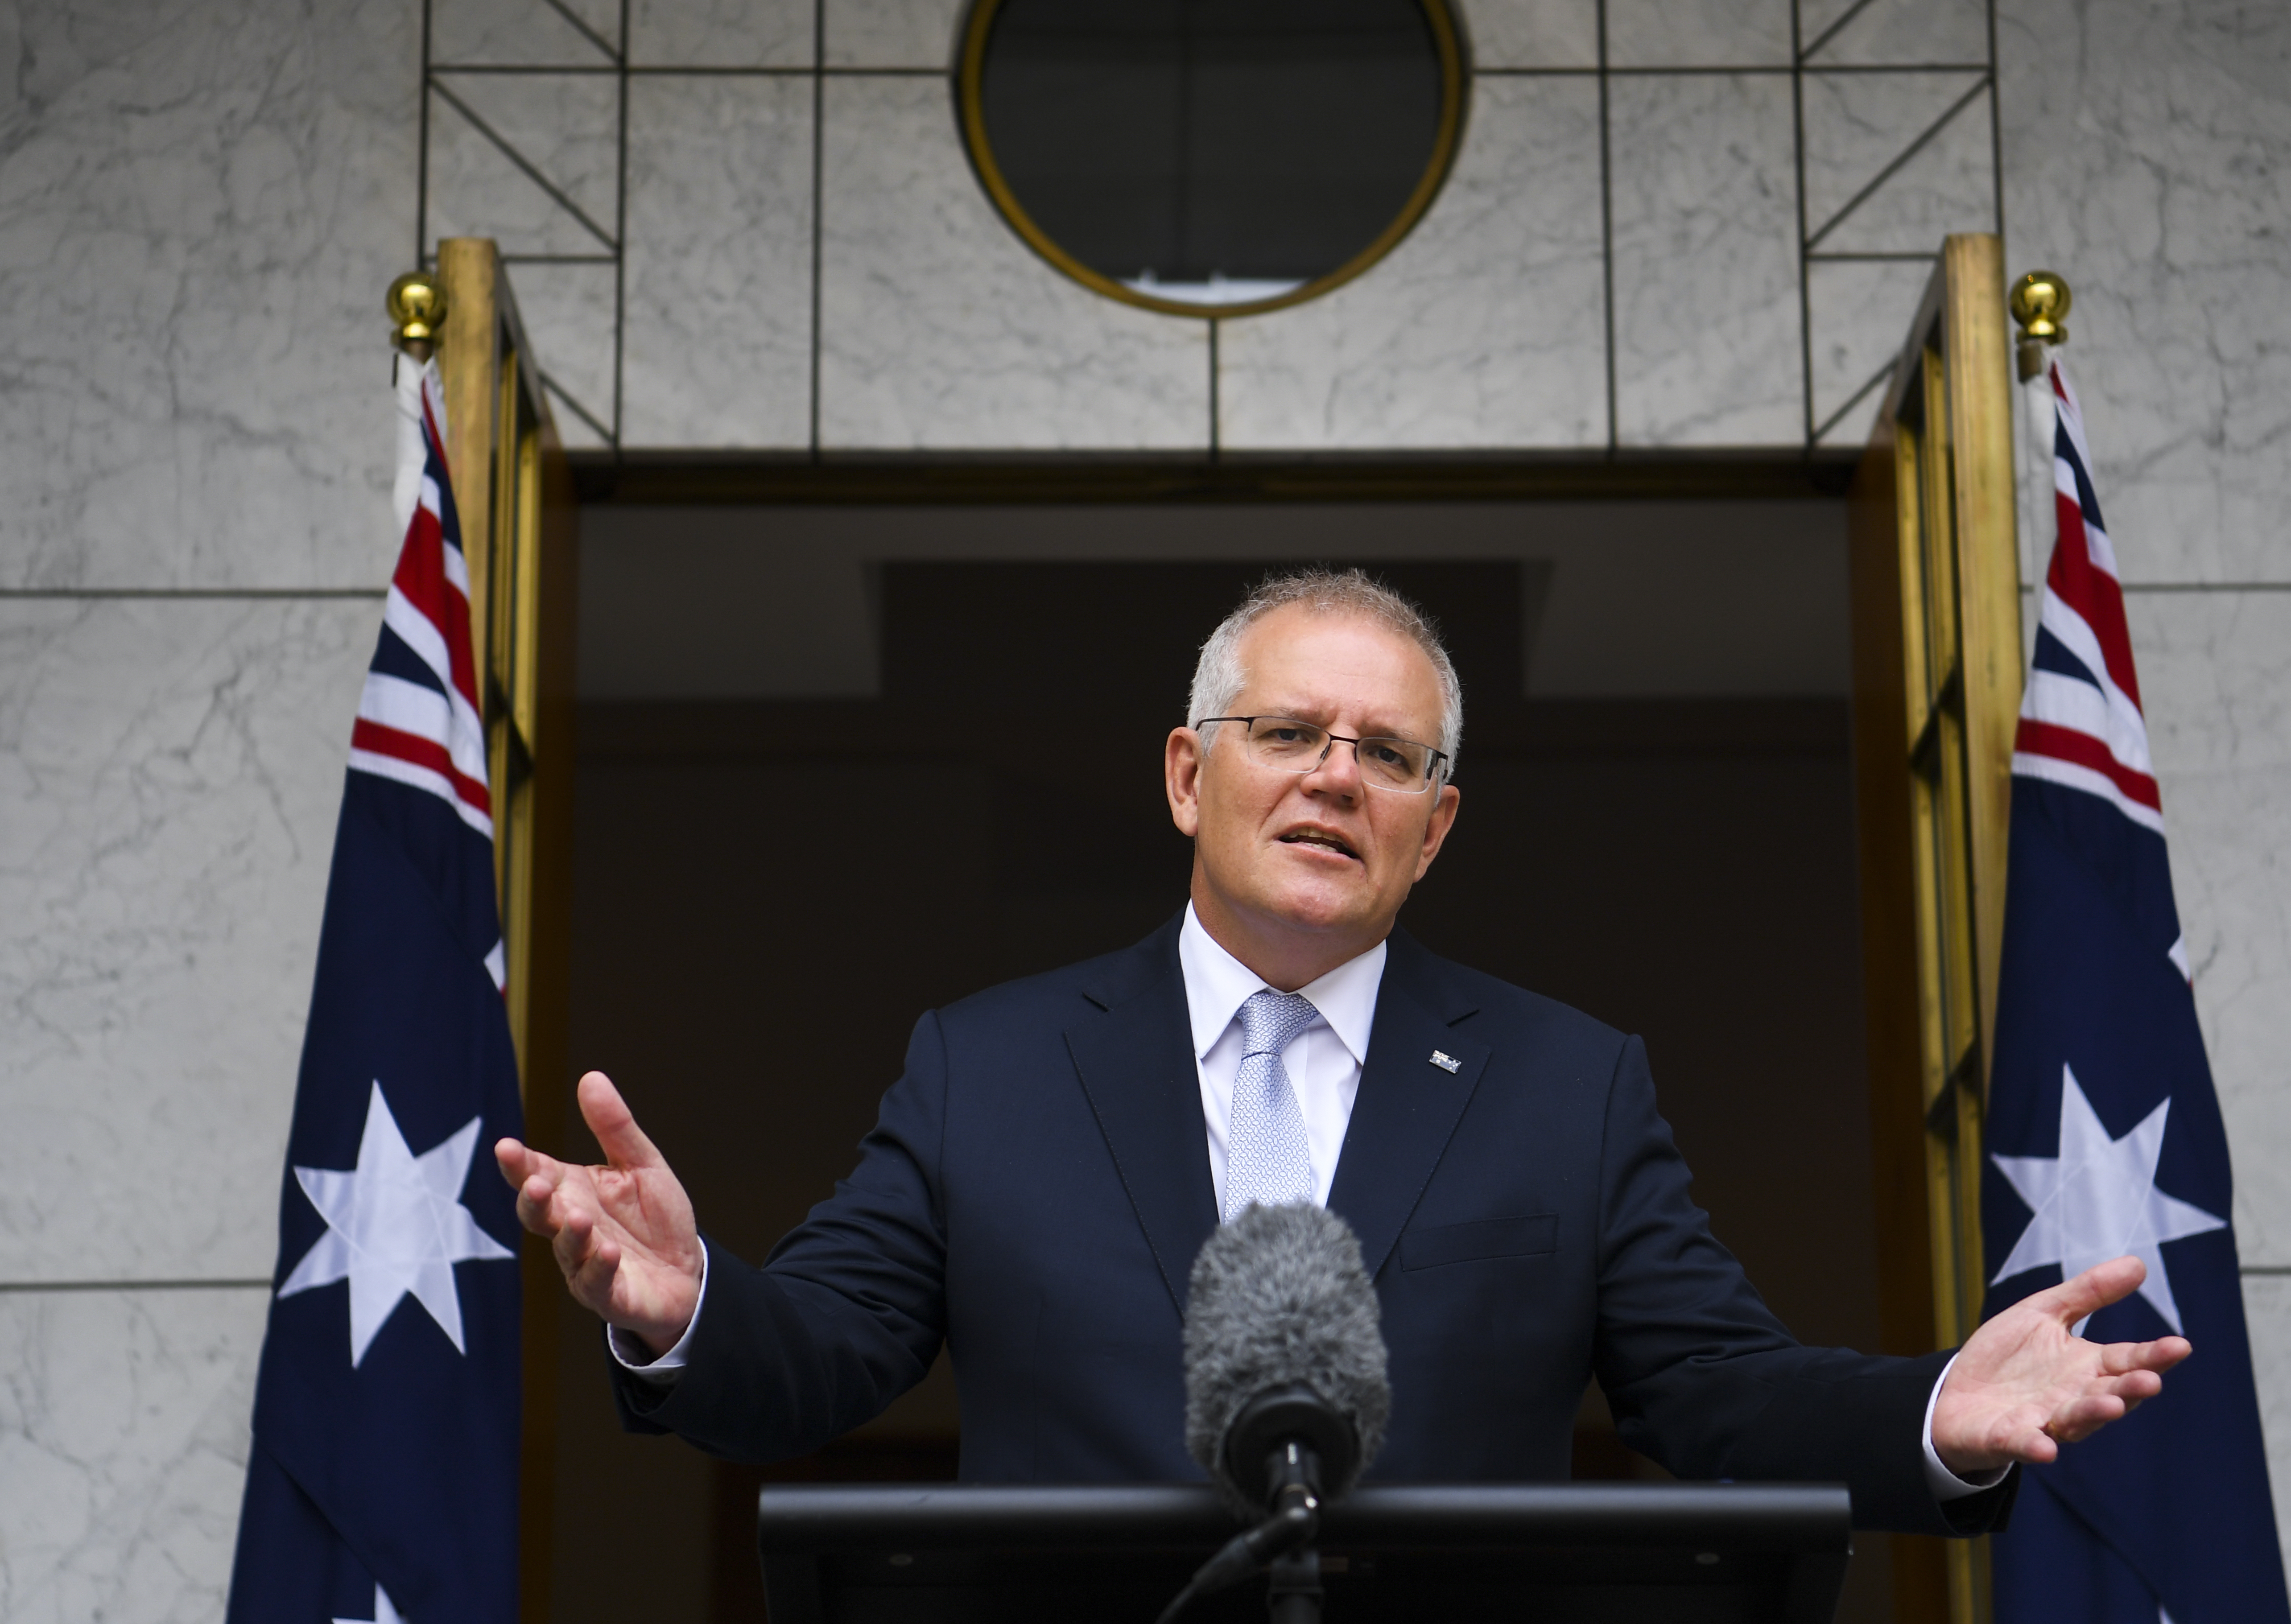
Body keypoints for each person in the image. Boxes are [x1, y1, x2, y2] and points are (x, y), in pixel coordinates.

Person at [495, 569, 2186, 1533]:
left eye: (1386, 754)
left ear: (1435, 829)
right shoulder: (987, 1066)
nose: (1332, 775)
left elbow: (1718, 1397)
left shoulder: (1568, 1083)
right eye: (1287, 731)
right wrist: (691, 1304)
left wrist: (1939, 1411)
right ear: (1185, 777)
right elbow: (830, 1354)